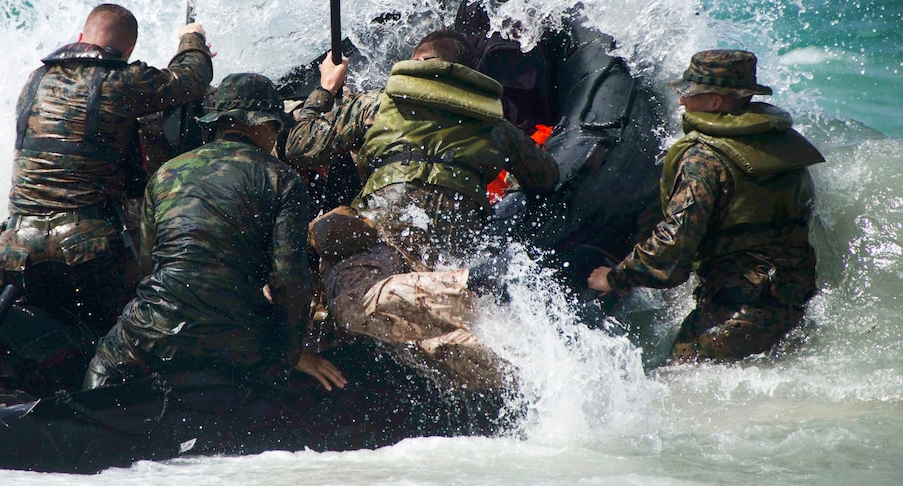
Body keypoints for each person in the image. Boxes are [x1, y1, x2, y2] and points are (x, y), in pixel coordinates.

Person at [286, 29, 559, 386]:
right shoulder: (497, 126)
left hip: (383, 239)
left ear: (415, 63)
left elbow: (301, 145)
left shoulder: (377, 105)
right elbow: (545, 178)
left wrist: (326, 89)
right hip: (449, 250)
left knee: (347, 298)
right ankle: (520, 365)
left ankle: (451, 295)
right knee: (419, 344)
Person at [86, 73, 346, 392]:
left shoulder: (166, 174)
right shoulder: (284, 180)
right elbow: (288, 281)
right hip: (240, 337)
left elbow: (148, 269)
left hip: (155, 330)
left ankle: (87, 423)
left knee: (106, 358)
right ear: (265, 124)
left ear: (219, 122)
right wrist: (289, 355)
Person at [0, 3, 213, 335]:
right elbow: (191, 79)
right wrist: (191, 40)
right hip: (84, 248)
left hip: (14, 247)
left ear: (81, 37)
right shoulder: (119, 80)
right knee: (120, 332)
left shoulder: (34, 80)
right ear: (129, 50)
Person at [588, 49, 824, 363]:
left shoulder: (702, 159)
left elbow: (672, 249)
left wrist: (616, 277)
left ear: (715, 102)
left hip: (734, 314)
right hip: (795, 301)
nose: (683, 101)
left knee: (677, 388)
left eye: (690, 93)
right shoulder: (781, 144)